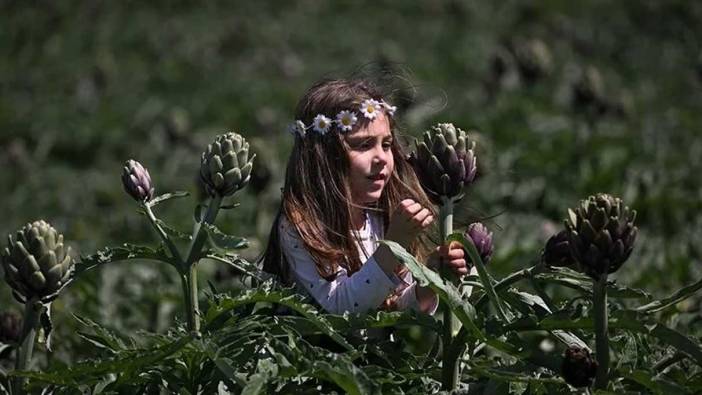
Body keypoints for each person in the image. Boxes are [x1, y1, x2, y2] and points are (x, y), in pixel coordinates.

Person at [261, 78, 468, 315]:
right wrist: (393, 245)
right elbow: (342, 309)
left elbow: (391, 310)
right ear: (324, 156)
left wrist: (430, 281)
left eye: (387, 144)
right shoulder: (301, 226)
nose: (381, 157)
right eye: (363, 145)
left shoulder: (381, 216)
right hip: (310, 351)